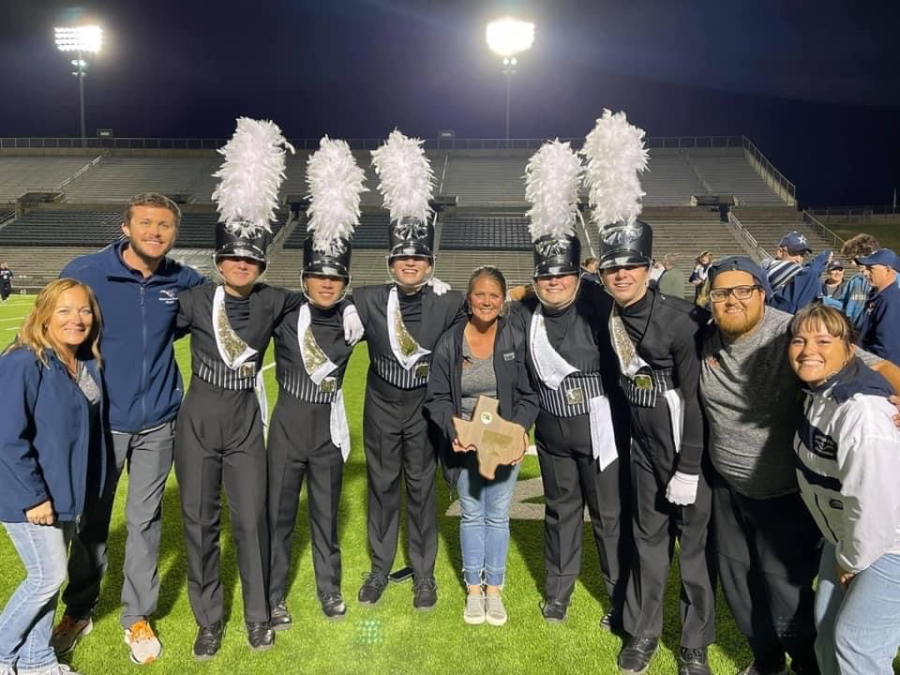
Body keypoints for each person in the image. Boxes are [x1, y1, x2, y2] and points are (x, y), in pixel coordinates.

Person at [699, 255, 899, 675]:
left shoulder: (793, 333)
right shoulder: (703, 334)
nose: (732, 300)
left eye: (743, 290)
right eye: (721, 293)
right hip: (728, 486)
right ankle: (768, 661)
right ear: (709, 299)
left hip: (787, 491)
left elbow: (874, 363)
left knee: (787, 590)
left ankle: (806, 664)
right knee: (738, 581)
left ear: (762, 294)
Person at [53, 193, 205, 665]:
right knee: (92, 521)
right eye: (145, 223)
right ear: (126, 227)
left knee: (145, 520)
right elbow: (54, 329)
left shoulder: (183, 280)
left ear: (175, 233)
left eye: (165, 225)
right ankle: (78, 609)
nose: (155, 232)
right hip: (102, 423)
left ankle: (136, 616)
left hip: (159, 422)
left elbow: (226, 312)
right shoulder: (87, 271)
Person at [508, 136, 631, 626]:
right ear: (535, 279)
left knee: (608, 518)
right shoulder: (525, 312)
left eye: (561, 275)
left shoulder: (604, 305)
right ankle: (558, 592)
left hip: (600, 430)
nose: (553, 283)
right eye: (544, 277)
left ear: (577, 275)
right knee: (559, 514)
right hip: (553, 434)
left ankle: (620, 596)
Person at [352, 131, 465, 611]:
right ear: (391, 262)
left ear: (430, 263)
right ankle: (379, 569)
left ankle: (424, 574)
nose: (410, 264)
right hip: (380, 407)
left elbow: (492, 310)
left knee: (421, 492)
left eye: (419, 258)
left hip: (423, 411)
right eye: (403, 258)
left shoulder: (450, 301)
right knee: (380, 489)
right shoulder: (367, 298)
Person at [598, 222, 715, 675]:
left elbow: (695, 398)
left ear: (648, 268)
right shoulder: (606, 314)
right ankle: (643, 630)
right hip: (642, 449)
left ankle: (694, 643)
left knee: (694, 549)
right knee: (647, 541)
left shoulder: (681, 319)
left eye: (632, 266)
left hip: (687, 448)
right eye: (612, 268)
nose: (622, 275)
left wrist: (689, 465)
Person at [267, 137, 367, 628]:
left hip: (328, 431)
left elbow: (413, 309)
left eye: (337, 279)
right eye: (319, 277)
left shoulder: (356, 314)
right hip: (285, 428)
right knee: (279, 519)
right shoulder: (282, 309)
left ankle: (329, 590)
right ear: (305, 277)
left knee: (326, 520)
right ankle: (273, 595)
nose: (328, 284)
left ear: (345, 280)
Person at [787, 303, 900, 675]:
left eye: (823, 340)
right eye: (799, 340)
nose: (808, 350)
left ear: (850, 347)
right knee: (827, 632)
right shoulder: (820, 391)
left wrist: (852, 561)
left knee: (858, 645)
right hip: (846, 533)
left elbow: (875, 505)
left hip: (888, 542)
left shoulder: (861, 411)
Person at [0, 279, 106, 675]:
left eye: (84, 310)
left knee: (50, 582)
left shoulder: (78, 361)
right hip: (31, 496)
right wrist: (34, 496)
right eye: (64, 310)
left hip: (63, 493)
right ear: (43, 314)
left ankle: (36, 661)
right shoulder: (23, 361)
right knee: (48, 577)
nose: (76, 319)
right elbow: (6, 436)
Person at [424, 266, 539, 627]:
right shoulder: (450, 341)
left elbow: (529, 394)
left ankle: (495, 591)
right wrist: (453, 426)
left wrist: (518, 429)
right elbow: (437, 397)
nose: (486, 301)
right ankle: (474, 590)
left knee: (498, 514)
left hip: (503, 440)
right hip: (466, 444)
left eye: (494, 294)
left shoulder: (514, 337)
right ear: (469, 298)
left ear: (502, 299)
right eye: (479, 294)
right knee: (472, 514)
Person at [855, 248, 900, 364]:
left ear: (888, 270)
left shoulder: (891, 300)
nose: (865, 273)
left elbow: (885, 350)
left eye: (871, 268)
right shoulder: (877, 296)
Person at [769, 231, 830, 314]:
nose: (798, 259)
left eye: (802, 255)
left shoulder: (809, 279)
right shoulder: (763, 276)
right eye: (793, 253)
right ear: (780, 252)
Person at [839, 233, 880, 326]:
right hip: (855, 332)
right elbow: (842, 304)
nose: (853, 264)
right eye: (851, 260)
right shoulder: (854, 280)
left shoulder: (892, 279)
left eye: (855, 259)